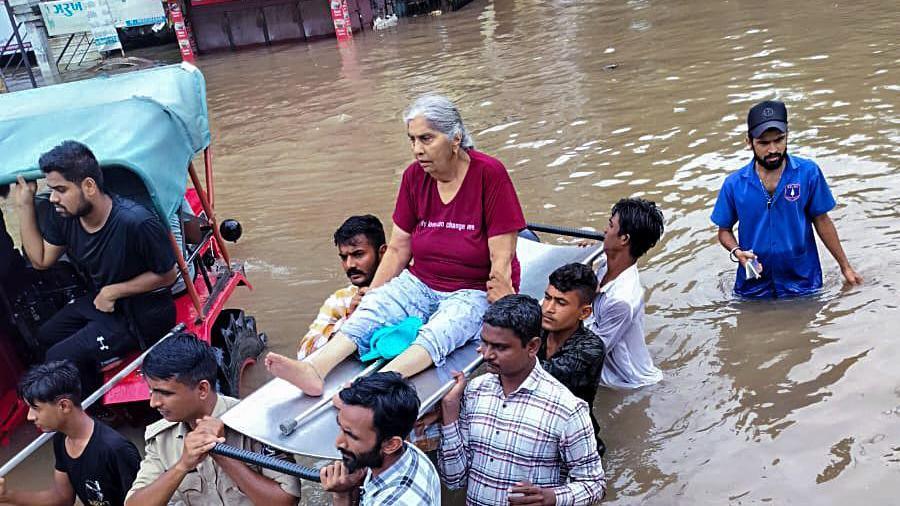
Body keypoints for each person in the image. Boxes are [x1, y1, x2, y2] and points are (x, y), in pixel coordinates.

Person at [267, 94, 526, 396]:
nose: (418, 150)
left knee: (445, 328)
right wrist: (370, 293)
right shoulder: (414, 177)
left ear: (455, 137)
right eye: (412, 140)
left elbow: (501, 259)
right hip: (421, 281)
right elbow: (399, 248)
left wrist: (503, 307)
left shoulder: (489, 174)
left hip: (472, 288)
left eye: (427, 139)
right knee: (374, 308)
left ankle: (377, 383)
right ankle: (315, 368)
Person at [13, 141, 177, 392]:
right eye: (51, 189)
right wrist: (24, 205)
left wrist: (115, 291)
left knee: (57, 356)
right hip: (102, 303)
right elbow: (41, 261)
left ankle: (94, 411)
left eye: (60, 189)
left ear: (89, 186)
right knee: (44, 336)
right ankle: (95, 368)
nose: (54, 198)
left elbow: (168, 275)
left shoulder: (135, 222)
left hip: (141, 314)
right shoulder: (66, 216)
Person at [439, 294, 606, 505]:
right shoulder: (475, 391)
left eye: (500, 347)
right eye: (485, 343)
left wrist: (552, 498)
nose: (487, 354)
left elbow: (594, 484)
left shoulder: (566, 409)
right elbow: (454, 480)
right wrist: (450, 409)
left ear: (532, 346)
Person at [125, 332, 301, 506]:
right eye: (151, 391)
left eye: (165, 393)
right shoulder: (162, 437)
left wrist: (221, 453)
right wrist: (182, 466)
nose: (153, 403)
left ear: (202, 389)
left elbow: (285, 501)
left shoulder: (258, 422)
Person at [711, 99, 863, 298]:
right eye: (764, 143)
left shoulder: (808, 173)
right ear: (749, 142)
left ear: (787, 136)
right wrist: (737, 252)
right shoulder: (734, 184)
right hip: (753, 288)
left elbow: (822, 220)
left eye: (779, 140)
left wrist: (845, 267)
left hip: (803, 282)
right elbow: (724, 231)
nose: (773, 149)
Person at [0, 360, 140, 506]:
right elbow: (62, 498)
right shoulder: (62, 438)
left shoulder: (116, 449)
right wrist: (7, 497)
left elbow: (143, 502)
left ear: (64, 406)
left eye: (36, 408)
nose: (30, 416)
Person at [319, 372, 441, 506]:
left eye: (351, 435)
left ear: (391, 445)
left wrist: (341, 496)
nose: (338, 442)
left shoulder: (397, 502)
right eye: (341, 428)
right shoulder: (408, 453)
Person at [590, 197, 665, 390]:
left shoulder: (621, 299)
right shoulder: (608, 263)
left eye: (610, 225)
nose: (605, 231)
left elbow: (591, 352)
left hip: (627, 383)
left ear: (624, 239)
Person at [296, 215, 387, 359]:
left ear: (382, 253)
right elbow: (303, 352)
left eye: (358, 254)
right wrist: (349, 320)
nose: (350, 264)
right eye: (344, 257)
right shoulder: (341, 300)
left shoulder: (406, 290)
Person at [539, 262, 607, 455]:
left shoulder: (590, 349)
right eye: (547, 298)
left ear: (584, 313)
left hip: (573, 442)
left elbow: (541, 375)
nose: (549, 308)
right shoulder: (537, 329)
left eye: (560, 303)